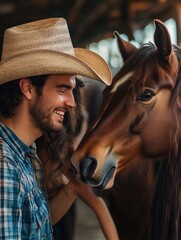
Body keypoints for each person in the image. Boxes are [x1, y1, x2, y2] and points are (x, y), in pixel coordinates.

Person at [0, 17, 114, 239]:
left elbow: (33, 228)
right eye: (62, 90)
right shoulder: (5, 166)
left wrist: (72, 187)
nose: (72, 103)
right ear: (28, 89)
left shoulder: (26, 155)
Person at [36, 79, 119, 240]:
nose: (71, 103)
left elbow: (99, 206)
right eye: (62, 90)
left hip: (56, 220)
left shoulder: (66, 155)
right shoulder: (32, 149)